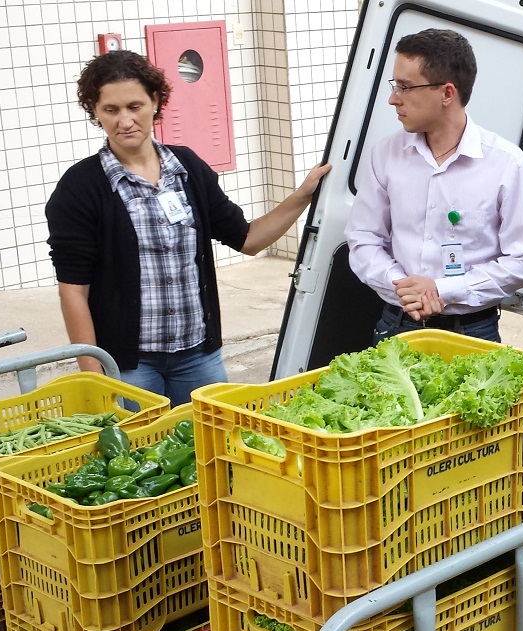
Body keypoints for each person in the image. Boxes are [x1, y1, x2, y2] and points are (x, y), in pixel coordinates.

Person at [47, 50, 331, 405]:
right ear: (95, 111)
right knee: (142, 442)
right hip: (129, 365)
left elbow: (248, 239)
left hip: (198, 357)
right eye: (111, 110)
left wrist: (303, 196)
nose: (125, 120)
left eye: (135, 106)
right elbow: (73, 291)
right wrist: (93, 374)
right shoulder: (80, 187)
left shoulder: (188, 169)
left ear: (155, 101)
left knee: (214, 438)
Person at [346, 28, 523, 343]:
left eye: (405, 87)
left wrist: (445, 289)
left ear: (447, 93)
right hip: (396, 322)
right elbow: (363, 239)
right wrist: (403, 286)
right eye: (394, 85)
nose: (393, 98)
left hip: (472, 330)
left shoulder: (506, 164)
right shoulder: (386, 154)